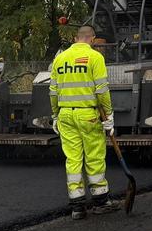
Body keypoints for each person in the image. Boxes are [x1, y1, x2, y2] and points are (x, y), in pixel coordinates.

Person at [50, 24, 119, 220]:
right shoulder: (95, 58)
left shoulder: (59, 59)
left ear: (75, 38)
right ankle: (100, 201)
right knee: (94, 156)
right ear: (93, 39)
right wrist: (109, 115)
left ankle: (77, 206)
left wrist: (55, 115)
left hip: (65, 115)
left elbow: (53, 92)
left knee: (73, 159)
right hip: (88, 115)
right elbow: (101, 90)